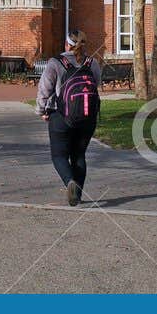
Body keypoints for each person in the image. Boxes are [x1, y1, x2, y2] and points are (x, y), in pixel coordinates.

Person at [36, 27, 101, 206]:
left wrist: (41, 111)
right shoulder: (92, 63)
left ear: (66, 43)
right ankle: (77, 194)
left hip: (61, 116)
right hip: (88, 117)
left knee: (59, 155)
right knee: (79, 155)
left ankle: (69, 182)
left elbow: (44, 89)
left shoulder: (56, 62)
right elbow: (97, 84)